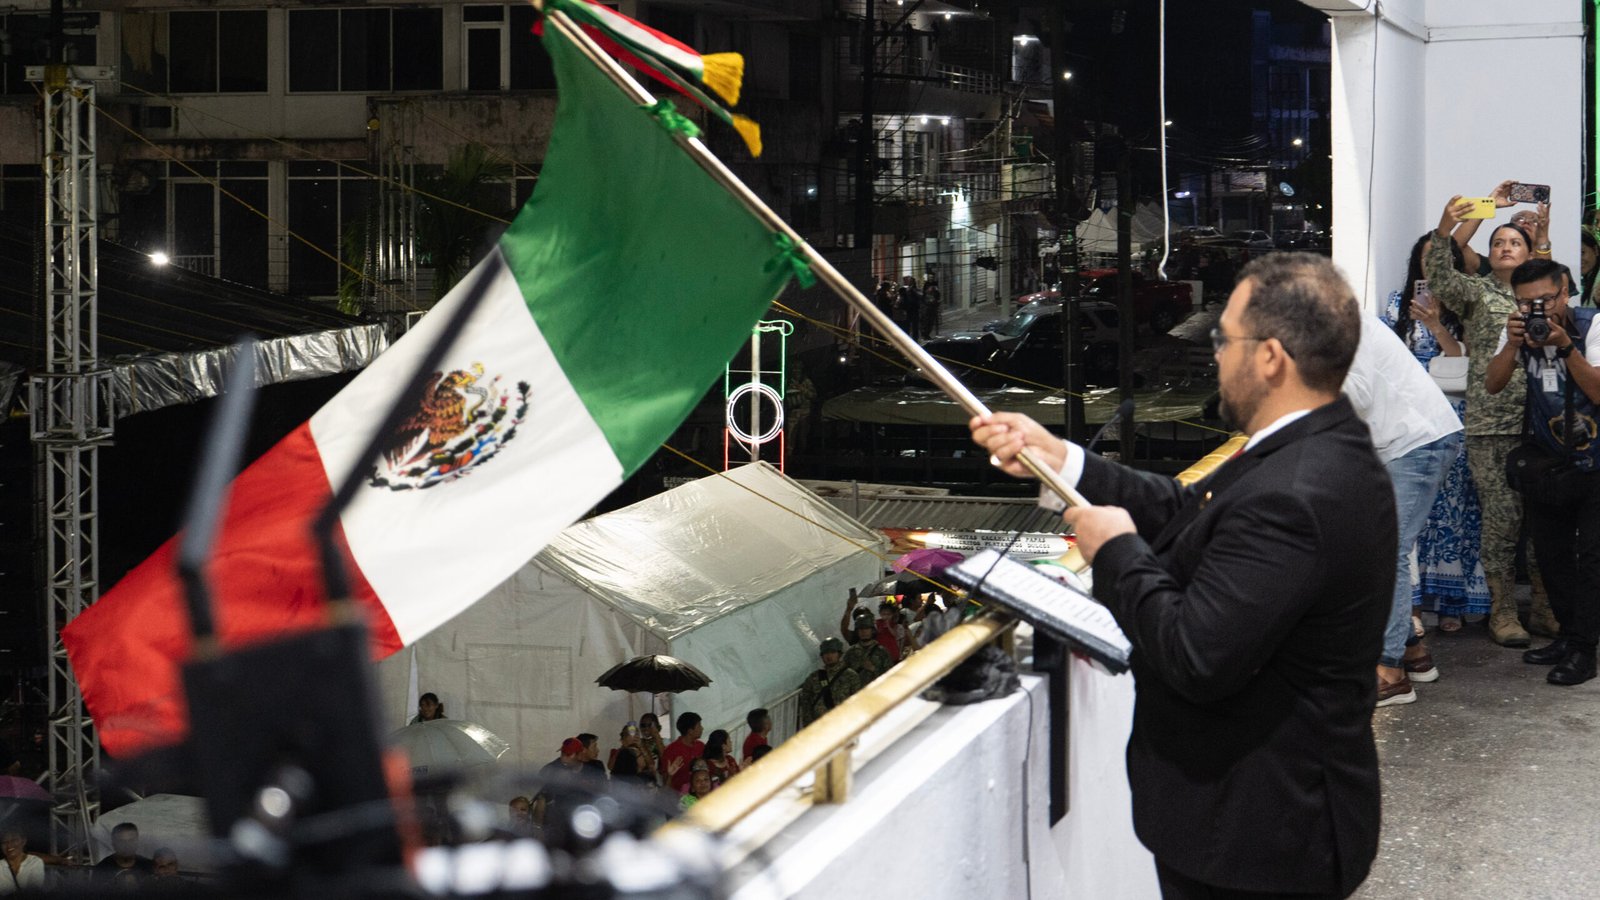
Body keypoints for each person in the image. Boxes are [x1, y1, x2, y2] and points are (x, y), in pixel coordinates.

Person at [970, 252, 1392, 898]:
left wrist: (1115, 550)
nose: (1215, 356)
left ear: (1271, 357)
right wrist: (1063, 462)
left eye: (1225, 339)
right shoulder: (1315, 446)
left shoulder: (1297, 493)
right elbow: (1191, 510)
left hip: (1262, 835)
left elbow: (1194, 653)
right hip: (1261, 820)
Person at [1428, 195, 1559, 646]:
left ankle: (1545, 610)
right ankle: (1503, 614)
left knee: (1545, 520)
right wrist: (1451, 224)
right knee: (1502, 521)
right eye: (1498, 241)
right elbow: (1440, 275)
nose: (1506, 247)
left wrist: (1542, 238)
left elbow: (1554, 276)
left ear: (1529, 254)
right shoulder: (1476, 290)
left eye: (1515, 242)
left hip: (1545, 420)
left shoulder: (1542, 294)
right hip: (1492, 424)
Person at [1486, 258, 1600, 685]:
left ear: (1564, 292)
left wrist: (1565, 346)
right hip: (1548, 463)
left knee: (1591, 561)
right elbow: (1493, 384)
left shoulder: (1593, 326)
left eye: (1545, 300)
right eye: (1525, 303)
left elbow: (1598, 390)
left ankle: (1585, 650)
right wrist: (1513, 346)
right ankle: (1570, 637)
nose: (1537, 311)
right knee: (1551, 559)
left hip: (1596, 463)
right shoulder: (1518, 329)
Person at [1343, 313, 1464, 704]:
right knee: (1378, 548)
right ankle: (1414, 654)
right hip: (1408, 443)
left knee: (1387, 550)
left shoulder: (1342, 323)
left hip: (1416, 442)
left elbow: (1356, 394)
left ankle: (1391, 671)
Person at [1387, 234, 1491, 632]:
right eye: (1426, 258)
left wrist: (1435, 325)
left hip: (1454, 412)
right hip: (1412, 417)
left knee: (1457, 506)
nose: (1433, 266)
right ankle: (1419, 602)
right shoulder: (1399, 305)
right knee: (1421, 512)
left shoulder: (1465, 304)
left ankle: (1453, 601)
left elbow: (1464, 359)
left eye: (1441, 258)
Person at [798, 638, 862, 728]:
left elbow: (857, 702)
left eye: (832, 652)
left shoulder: (850, 676)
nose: (829, 656)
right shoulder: (814, 677)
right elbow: (806, 702)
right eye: (826, 653)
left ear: (839, 654)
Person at [96, 821, 154, 886]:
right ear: (113, 844)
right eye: (121, 841)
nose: (126, 845)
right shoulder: (101, 870)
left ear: (137, 842)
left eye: (131, 841)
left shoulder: (150, 867)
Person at [842, 610, 893, 681]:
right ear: (857, 631)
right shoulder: (851, 653)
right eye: (861, 629)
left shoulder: (882, 652)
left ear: (872, 630)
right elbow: (843, 678)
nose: (864, 631)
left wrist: (873, 669)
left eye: (867, 628)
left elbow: (890, 677)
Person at [660, 713, 704, 793]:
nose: (702, 728)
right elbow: (665, 781)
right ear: (690, 731)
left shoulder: (700, 746)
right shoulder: (670, 750)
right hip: (678, 797)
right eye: (699, 726)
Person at [0, 831, 44, 896]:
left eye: (14, 840)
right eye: (4, 842)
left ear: (23, 841)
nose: (9, 845)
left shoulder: (34, 862)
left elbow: (34, 890)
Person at [897, 275, 923, 342]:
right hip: (908, 310)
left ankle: (915, 339)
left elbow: (920, 296)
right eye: (910, 281)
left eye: (912, 281)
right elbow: (902, 298)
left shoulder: (916, 290)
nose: (910, 283)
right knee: (907, 325)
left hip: (915, 309)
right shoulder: (906, 290)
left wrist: (913, 291)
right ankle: (907, 339)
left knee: (915, 326)